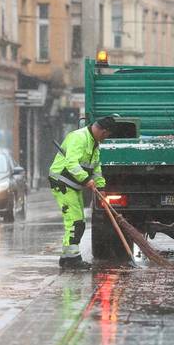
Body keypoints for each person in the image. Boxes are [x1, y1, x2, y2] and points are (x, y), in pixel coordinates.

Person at [49, 115, 117, 269]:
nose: (106, 139)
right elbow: (71, 163)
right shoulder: (78, 138)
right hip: (62, 182)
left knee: (78, 222)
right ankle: (73, 259)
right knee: (75, 221)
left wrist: (101, 188)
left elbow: (96, 168)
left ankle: (67, 257)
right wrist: (86, 179)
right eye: (107, 135)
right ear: (103, 131)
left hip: (74, 185)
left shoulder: (94, 143)